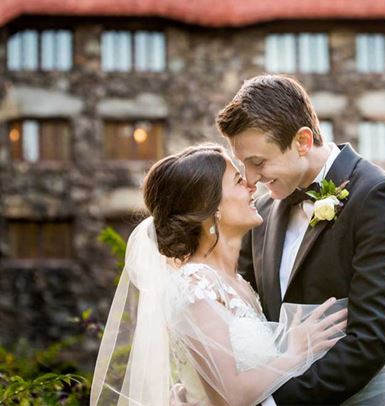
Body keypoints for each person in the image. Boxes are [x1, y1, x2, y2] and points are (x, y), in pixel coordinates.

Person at [90, 144, 348, 406]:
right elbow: (229, 397)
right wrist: (295, 351)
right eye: (238, 180)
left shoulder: (238, 283)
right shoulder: (194, 285)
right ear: (211, 206)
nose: (251, 184)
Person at [216, 74, 385, 405]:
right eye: (243, 165)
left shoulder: (378, 196)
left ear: (303, 141)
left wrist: (275, 402)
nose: (251, 179)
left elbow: (371, 341)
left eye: (258, 163)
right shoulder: (261, 209)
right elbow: (248, 319)